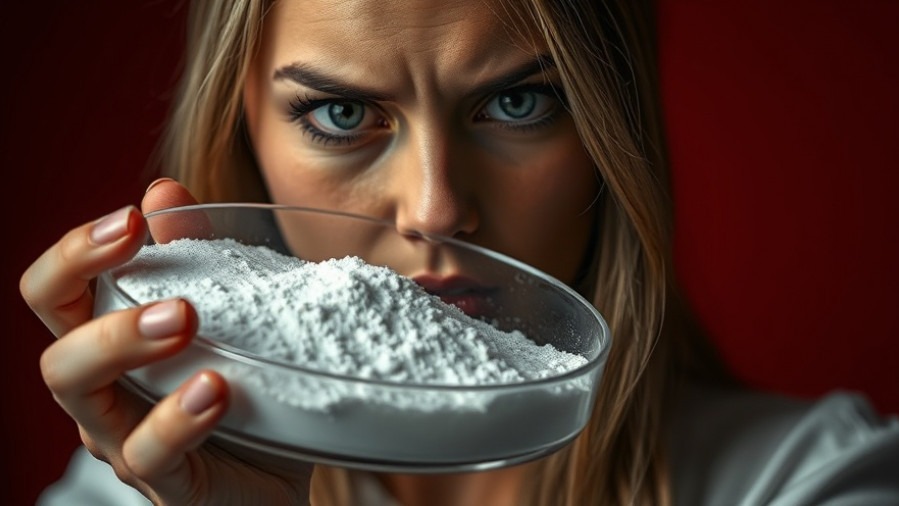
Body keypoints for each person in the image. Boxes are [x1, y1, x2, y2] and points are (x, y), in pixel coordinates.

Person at [19, 0, 899, 505]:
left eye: (517, 104)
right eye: (342, 114)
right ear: (241, 129)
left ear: (609, 126)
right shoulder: (139, 480)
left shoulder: (811, 481)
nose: (436, 209)